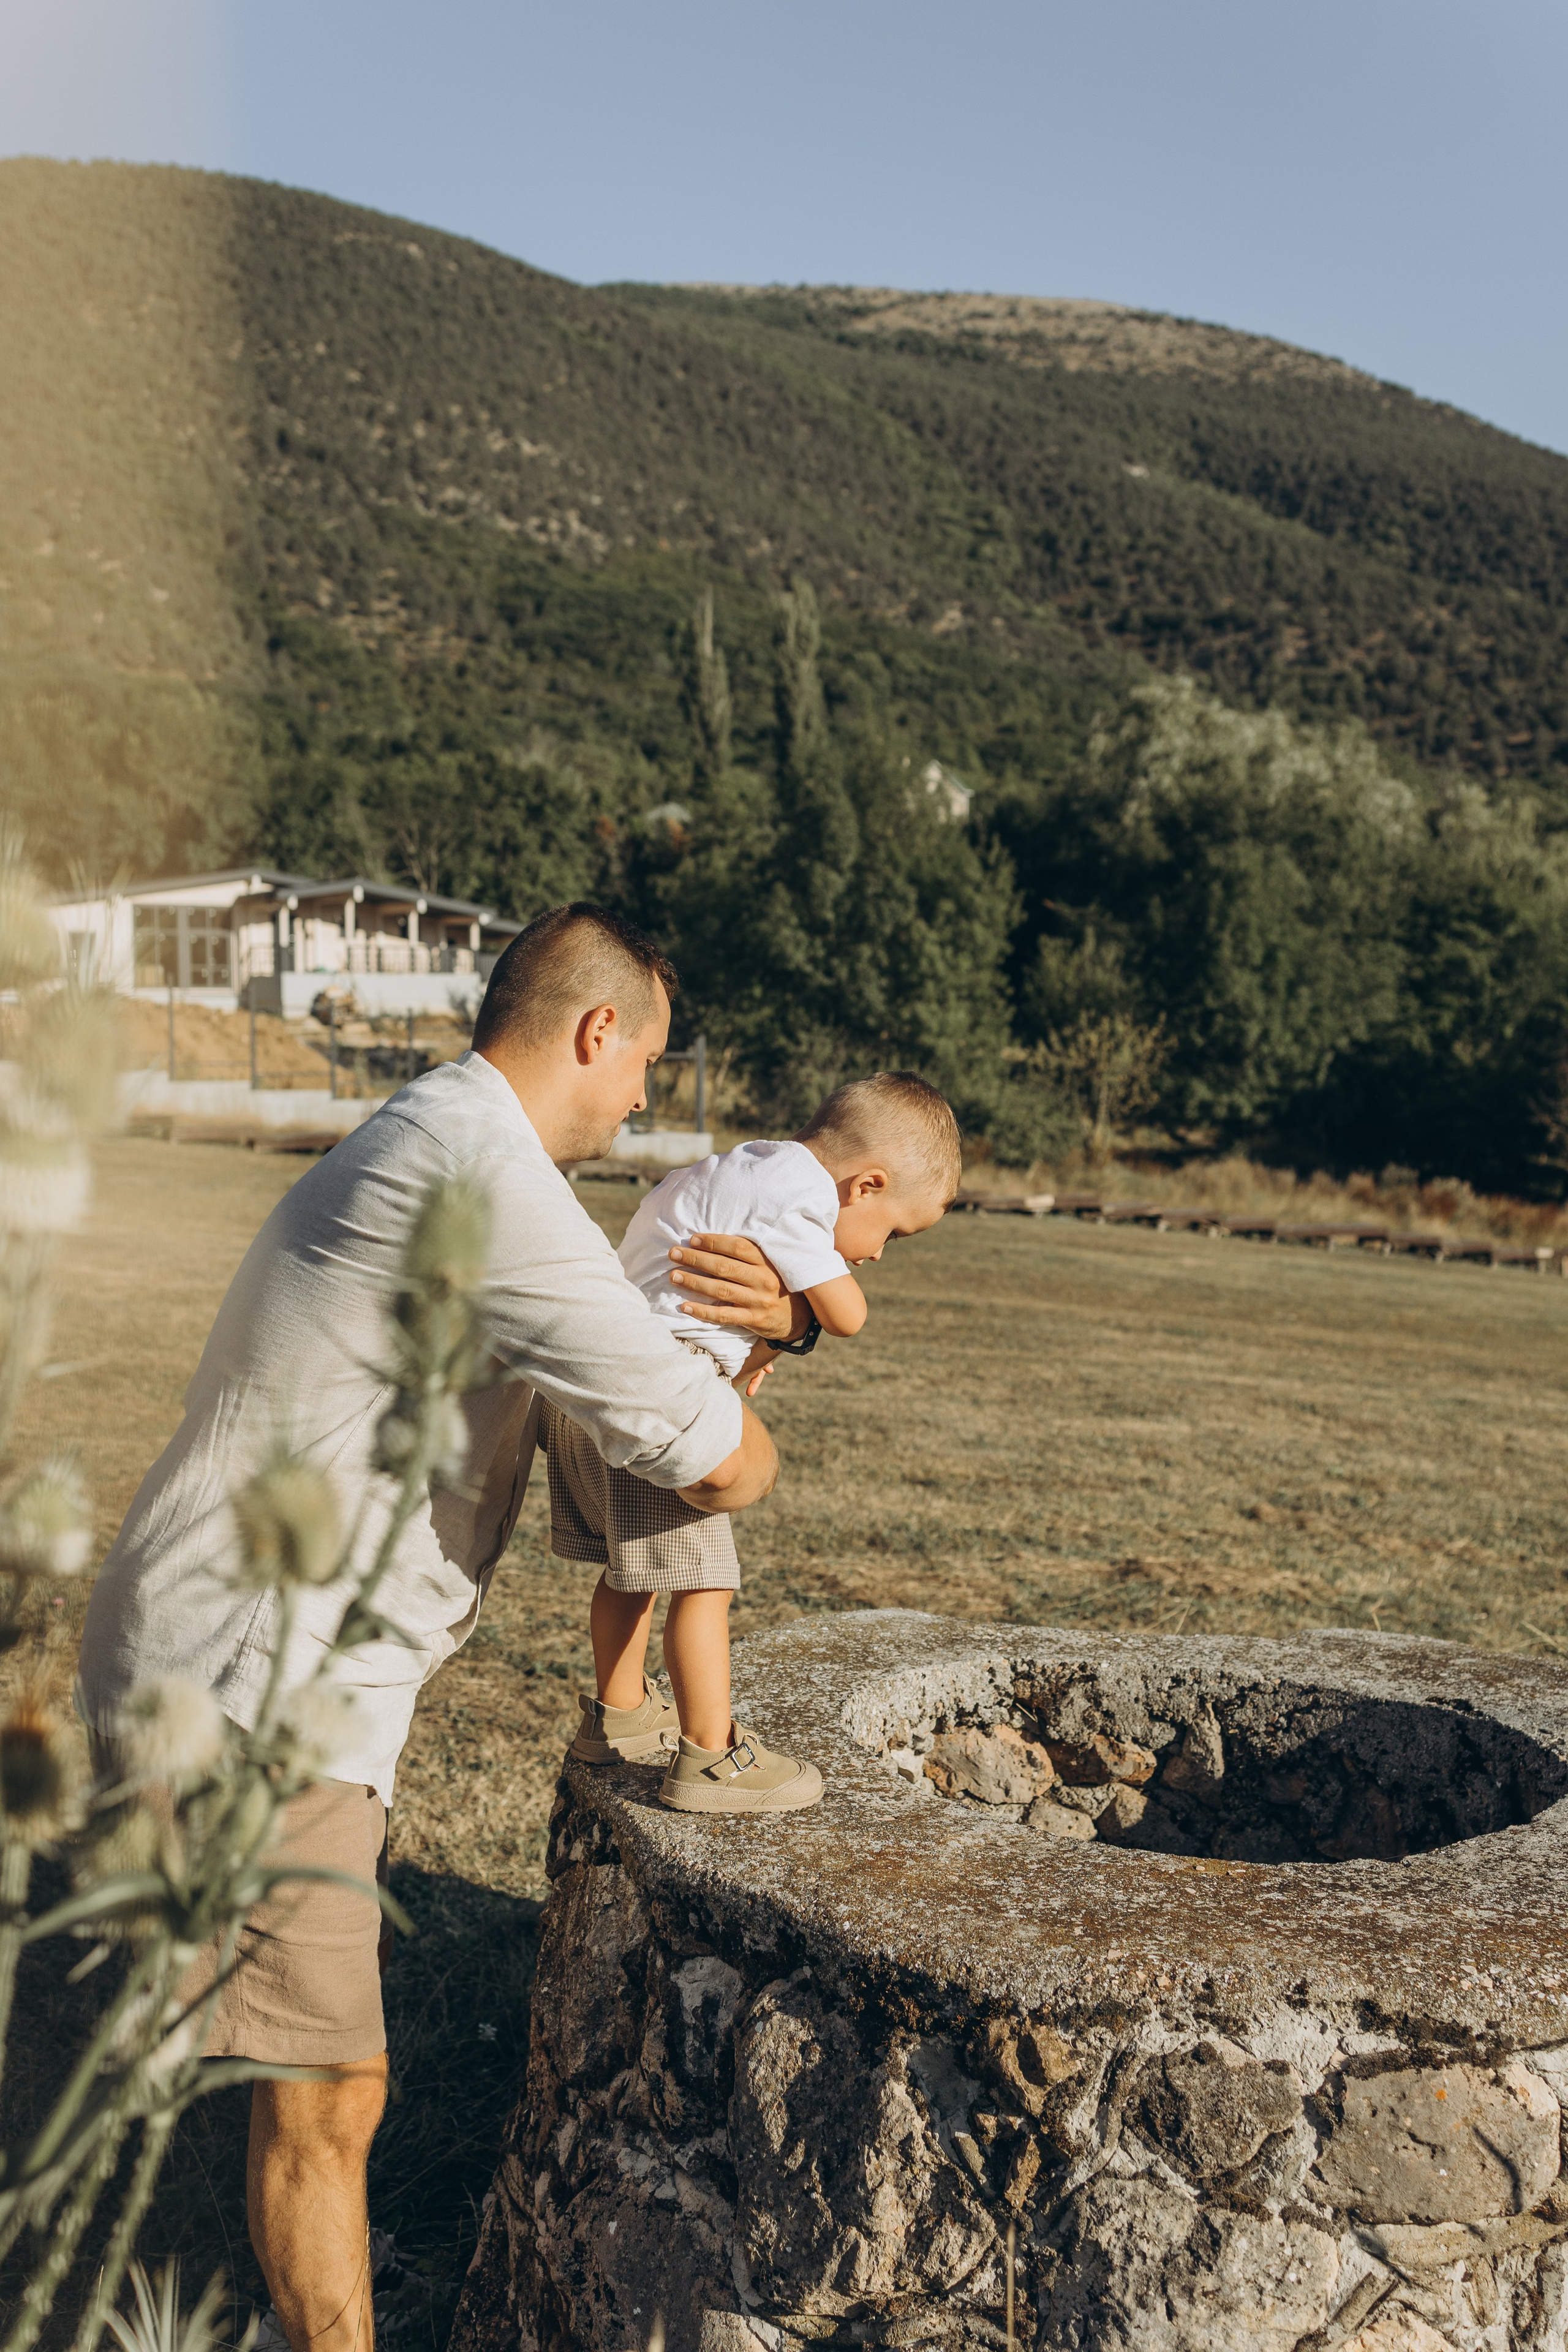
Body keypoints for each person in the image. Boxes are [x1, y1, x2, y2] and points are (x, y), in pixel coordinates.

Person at [75, 905, 807, 2352]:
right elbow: (711, 1457)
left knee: (312, 2074)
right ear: (595, 1029)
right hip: (253, 1688)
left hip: (241, 1660)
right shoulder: (480, 1178)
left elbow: (615, 1396)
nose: (648, 1095)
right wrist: (763, 1362)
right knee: (331, 2091)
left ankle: (298, 2312)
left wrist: (747, 1344)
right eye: (647, 1059)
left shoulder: (446, 1144)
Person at [543, 1070, 962, 1813]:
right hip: (665, 1395)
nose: (877, 1253)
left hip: (590, 1389)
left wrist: (757, 1346)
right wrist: (799, 1317)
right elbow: (847, 1316)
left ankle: (620, 1714)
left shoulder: (737, 1168)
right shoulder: (800, 1195)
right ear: (864, 1185)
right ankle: (711, 1758)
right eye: (893, 1232)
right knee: (705, 1588)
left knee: (627, 1571)